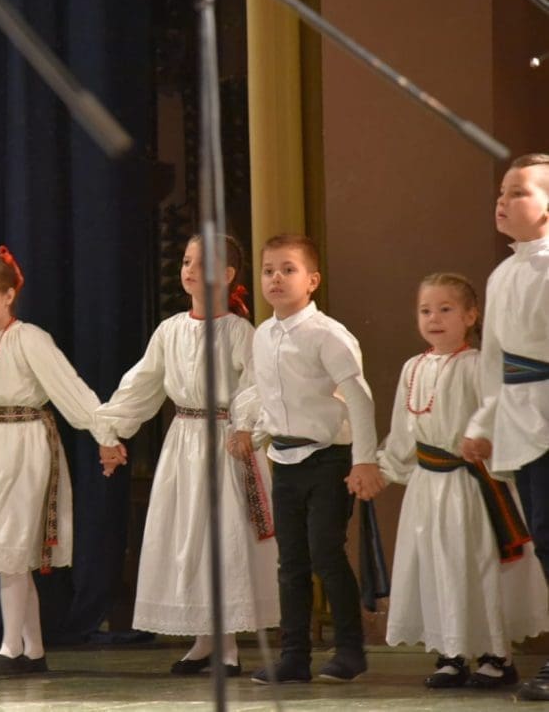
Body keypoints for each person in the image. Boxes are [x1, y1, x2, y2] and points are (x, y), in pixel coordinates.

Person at [97, 235, 278, 676]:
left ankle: (228, 644)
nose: (190, 270)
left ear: (228, 275)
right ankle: (203, 640)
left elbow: (257, 384)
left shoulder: (239, 331)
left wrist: (244, 427)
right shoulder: (170, 330)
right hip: (184, 443)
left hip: (226, 443)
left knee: (224, 536)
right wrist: (110, 429)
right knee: (188, 537)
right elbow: (142, 383)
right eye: (185, 261)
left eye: (202, 263)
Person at [0, 245, 123, 675]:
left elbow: (70, 389)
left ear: (8, 295)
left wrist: (105, 435)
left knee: (10, 547)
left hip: (24, 446)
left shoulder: (29, 338)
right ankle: (34, 648)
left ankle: (10, 646)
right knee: (4, 550)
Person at [379, 272, 549, 689]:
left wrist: (487, 440)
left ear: (471, 316)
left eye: (445, 309)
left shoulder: (476, 365)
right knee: (435, 565)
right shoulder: (412, 368)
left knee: (474, 565)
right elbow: (402, 430)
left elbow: (495, 410)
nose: (434, 318)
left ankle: (495, 655)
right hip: (426, 485)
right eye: (425, 310)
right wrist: (384, 468)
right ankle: (450, 652)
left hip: (470, 485)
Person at [229, 233, 384, 684]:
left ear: (312, 280)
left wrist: (364, 460)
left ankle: (350, 651)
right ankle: (293, 656)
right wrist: (248, 426)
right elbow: (266, 391)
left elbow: (359, 397)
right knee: (291, 561)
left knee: (326, 554)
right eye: (268, 271)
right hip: (285, 459)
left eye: (288, 269)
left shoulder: (327, 334)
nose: (276, 278)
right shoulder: (264, 335)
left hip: (328, 457)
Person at [462, 153, 549, 701]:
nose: (503, 201)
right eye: (501, 191)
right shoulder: (502, 275)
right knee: (544, 536)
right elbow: (494, 363)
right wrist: (482, 422)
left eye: (518, 192)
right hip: (522, 422)